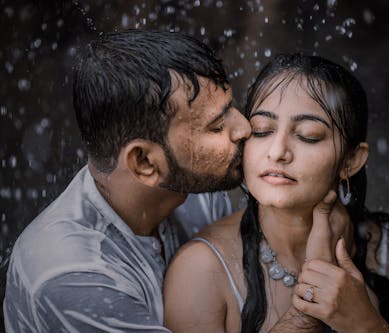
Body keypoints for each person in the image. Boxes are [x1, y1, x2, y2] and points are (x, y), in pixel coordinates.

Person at [163, 54, 389, 332]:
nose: (277, 152)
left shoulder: (388, 248)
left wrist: (365, 323)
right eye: (262, 130)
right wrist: (307, 308)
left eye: (308, 135)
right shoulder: (201, 270)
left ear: (351, 161)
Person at [3, 30, 251, 332]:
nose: (244, 127)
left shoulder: (195, 186)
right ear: (144, 162)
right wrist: (304, 316)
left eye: (232, 106)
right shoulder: (71, 274)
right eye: (216, 126)